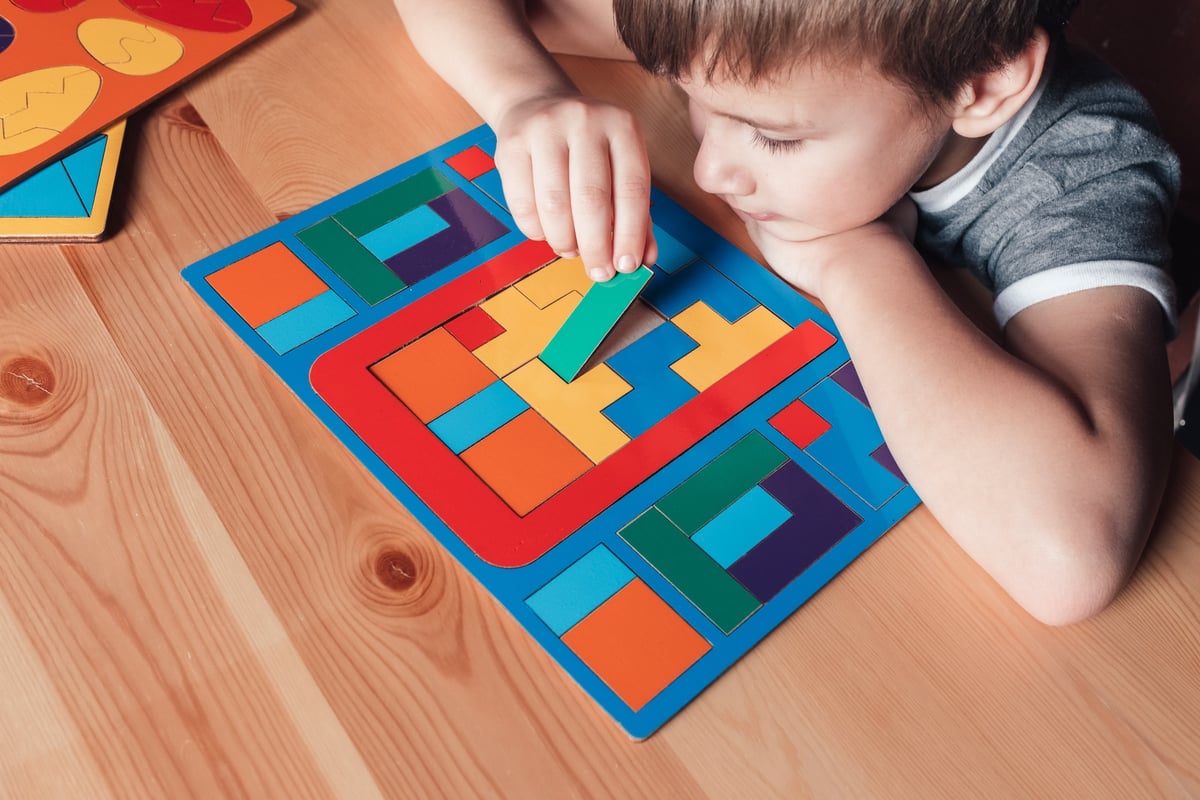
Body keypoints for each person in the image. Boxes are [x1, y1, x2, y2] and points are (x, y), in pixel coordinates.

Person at [393, 0, 1181, 625]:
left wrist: (856, 260)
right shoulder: (753, 23)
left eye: (773, 136)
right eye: (695, 99)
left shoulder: (1081, 172)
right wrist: (527, 95)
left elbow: (1065, 559)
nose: (710, 167)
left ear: (981, 84)